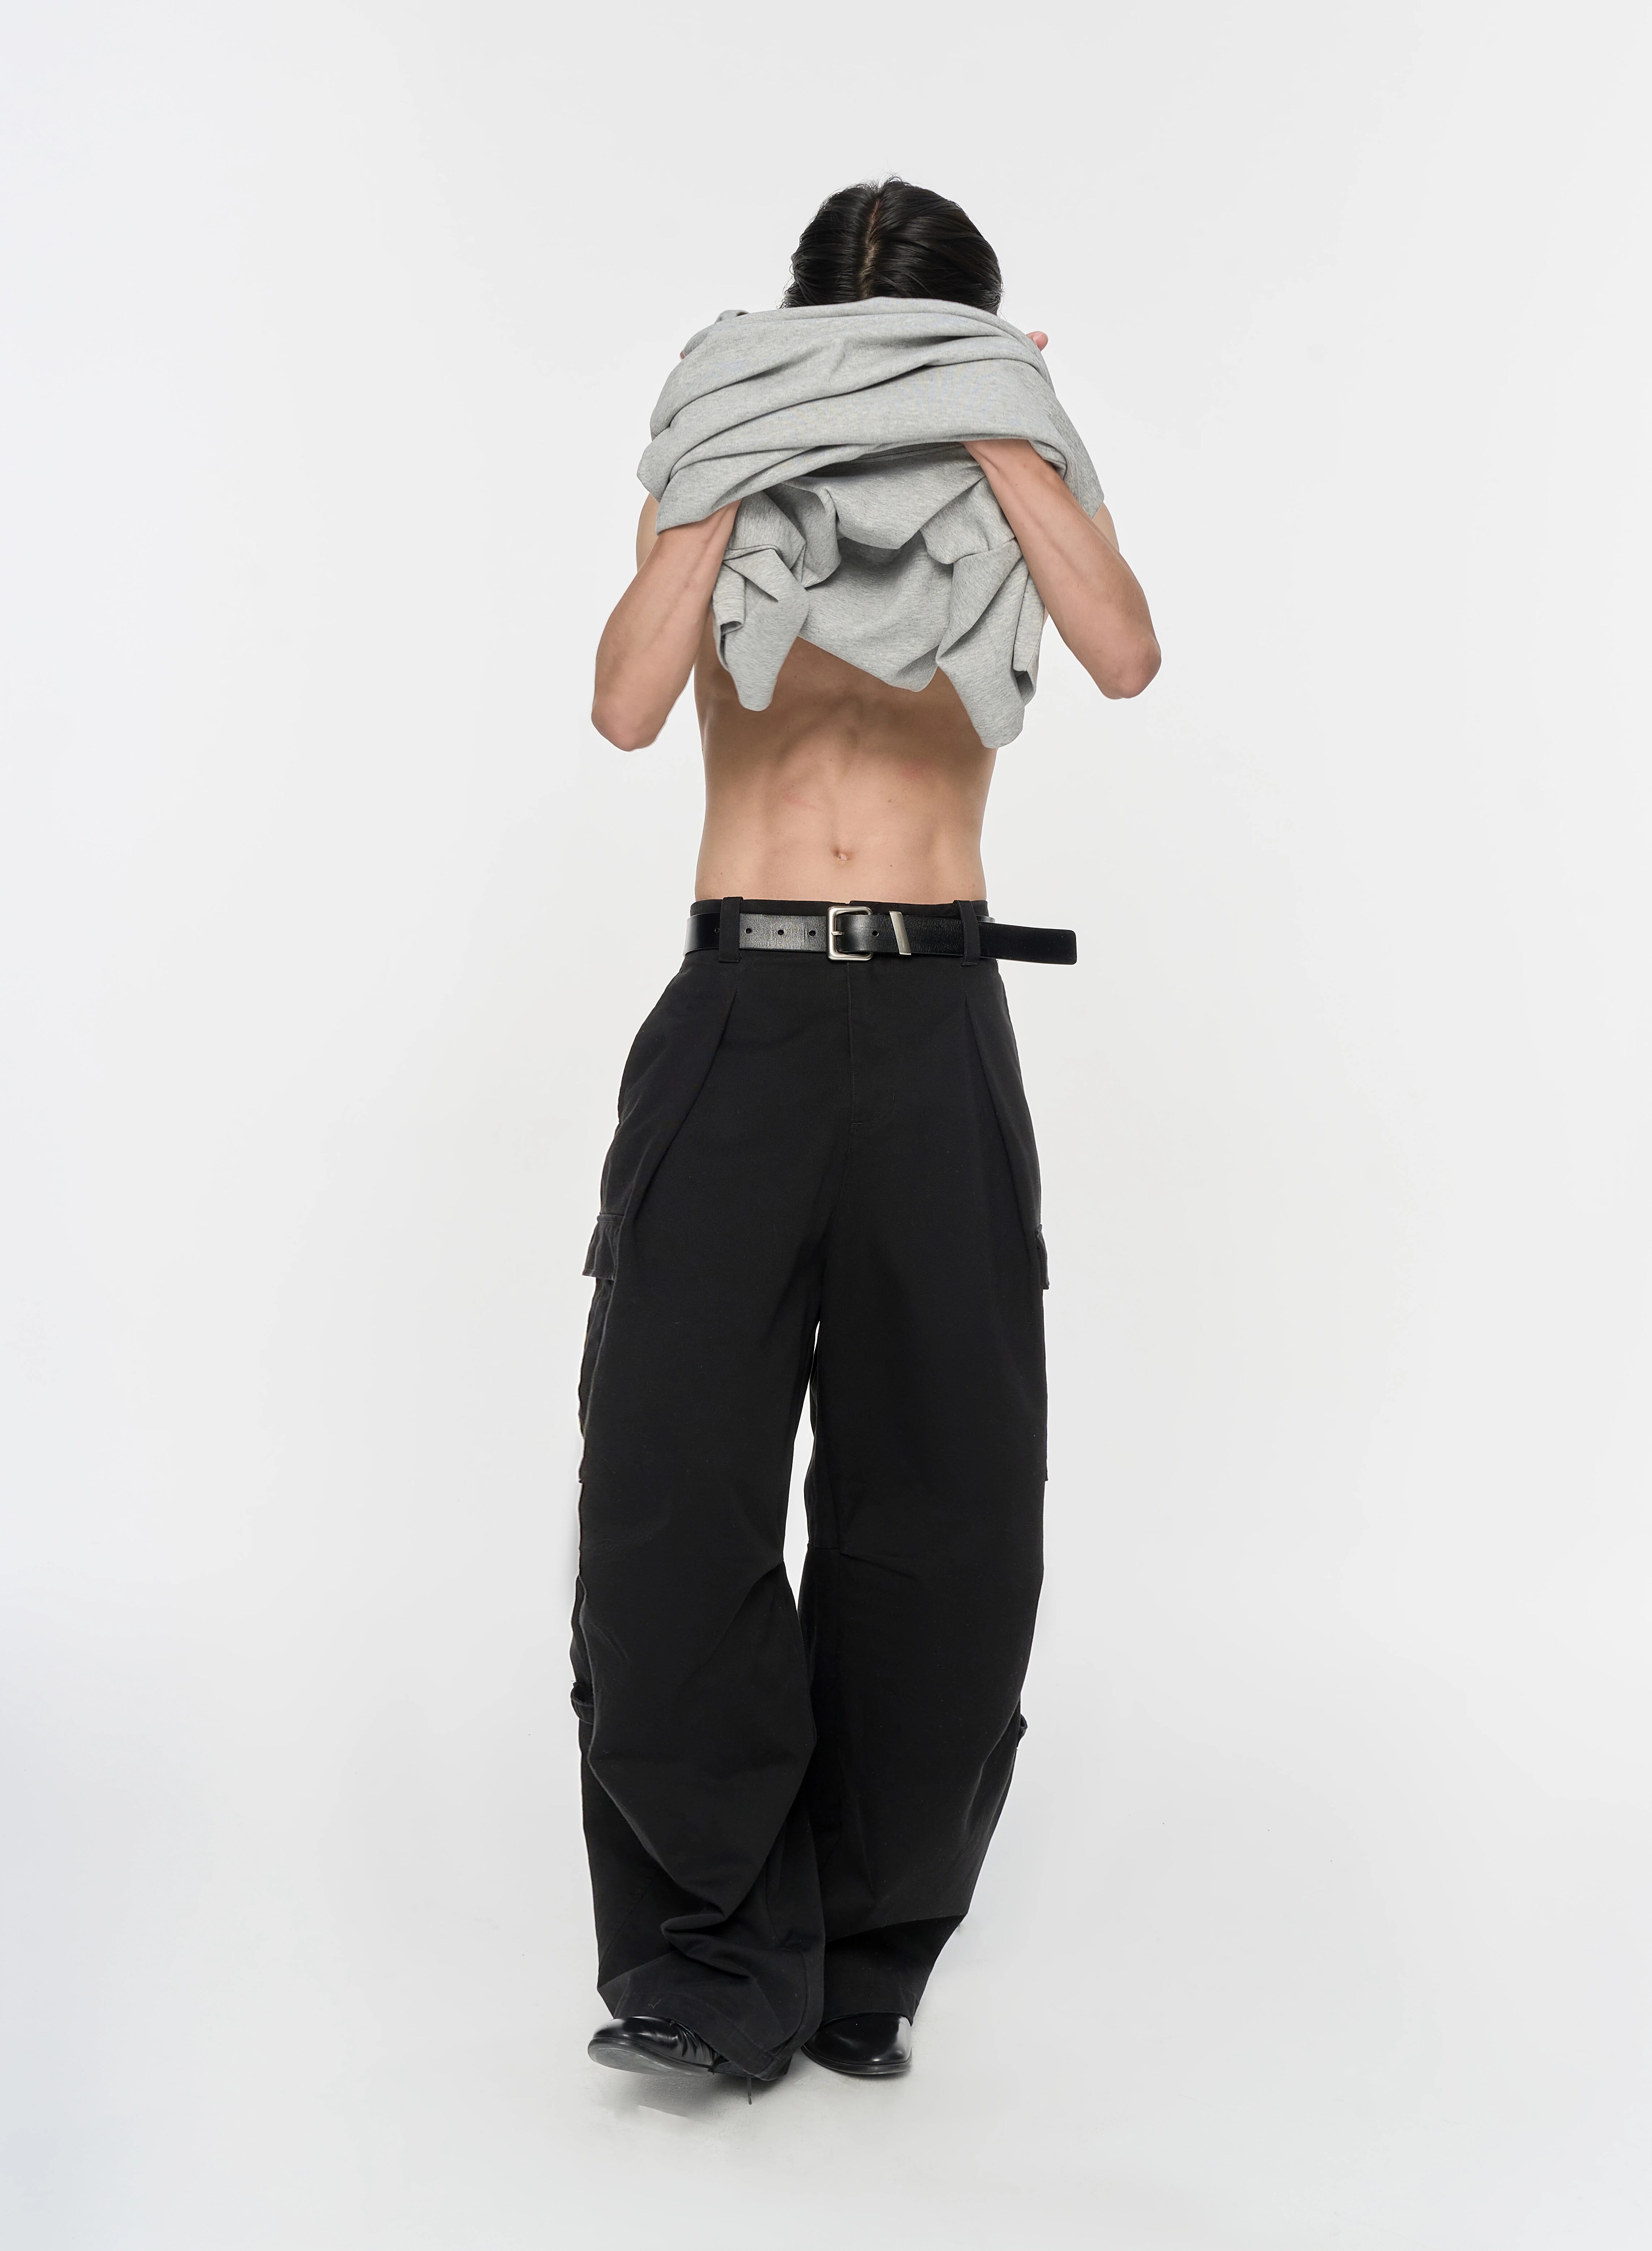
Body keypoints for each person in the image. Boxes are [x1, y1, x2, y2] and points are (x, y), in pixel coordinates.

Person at [574, 178, 1159, 2088]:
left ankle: (864, 1958)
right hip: (738, 1002)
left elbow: (1126, 650)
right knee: (670, 1491)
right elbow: (628, 702)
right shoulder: (721, 467)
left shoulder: (1016, 492)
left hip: (934, 1011)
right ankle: (707, 1960)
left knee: (950, 1507)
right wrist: (741, 442)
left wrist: (1000, 416)